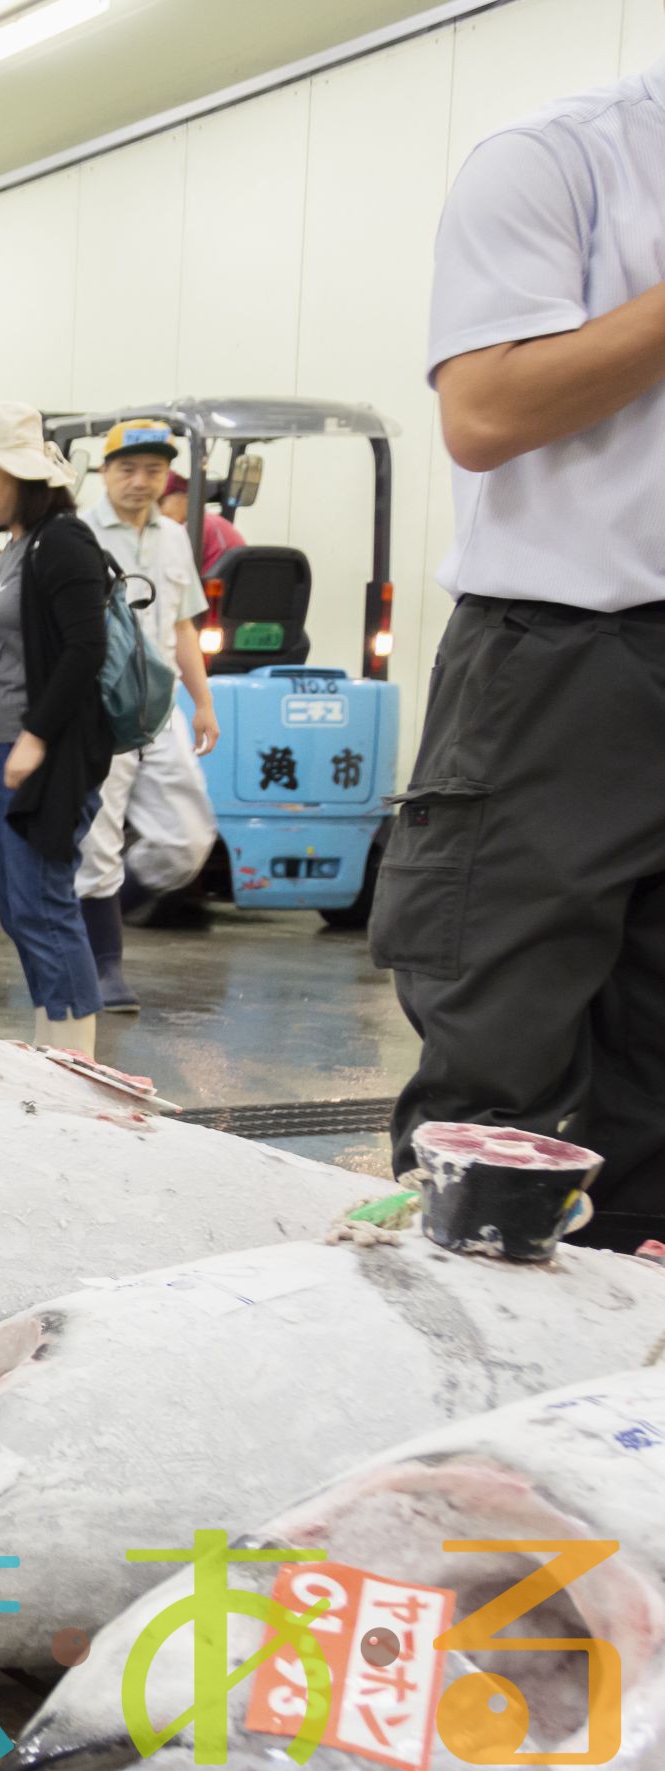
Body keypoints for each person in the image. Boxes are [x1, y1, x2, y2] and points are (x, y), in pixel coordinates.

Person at [381, 52, 665, 1252]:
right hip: (571, 664)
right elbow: (486, 412)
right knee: (500, 1091)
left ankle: (615, 1419)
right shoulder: (565, 160)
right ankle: (457, 1417)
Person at [0, 402, 113, 1052]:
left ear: (18, 470)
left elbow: (83, 649)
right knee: (17, 909)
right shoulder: (17, 545)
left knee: (44, 903)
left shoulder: (64, 539)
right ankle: (51, 1042)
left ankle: (76, 1056)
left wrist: (36, 737)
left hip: (42, 751)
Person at [78, 420, 223, 1013]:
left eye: (154, 471)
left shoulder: (173, 538)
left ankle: (98, 913)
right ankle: (102, 966)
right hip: (97, 708)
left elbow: (184, 624)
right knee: (98, 840)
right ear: (105, 472)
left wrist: (204, 701)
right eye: (127, 469)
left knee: (188, 838)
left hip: (157, 706)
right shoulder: (79, 533)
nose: (140, 482)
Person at [160, 471, 245, 574]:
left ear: (185, 497)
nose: (155, 512)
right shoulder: (211, 522)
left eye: (160, 503)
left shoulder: (196, 527)